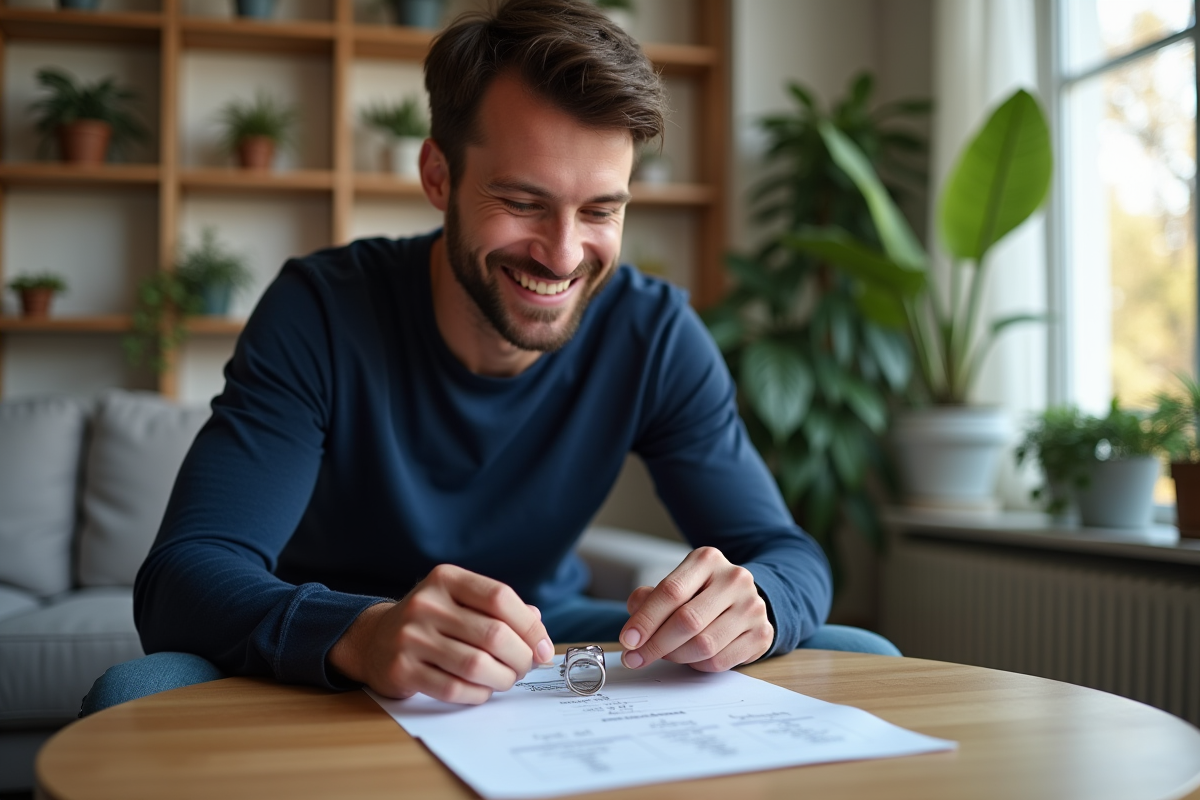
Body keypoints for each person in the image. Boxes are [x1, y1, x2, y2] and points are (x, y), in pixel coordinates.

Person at [83, 0, 897, 715]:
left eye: (600, 210)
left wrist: (752, 600)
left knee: (859, 651)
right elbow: (186, 575)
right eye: (522, 203)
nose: (563, 254)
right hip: (331, 656)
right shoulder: (322, 311)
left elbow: (786, 551)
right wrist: (362, 633)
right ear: (438, 174)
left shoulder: (652, 332)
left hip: (535, 646)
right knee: (135, 695)